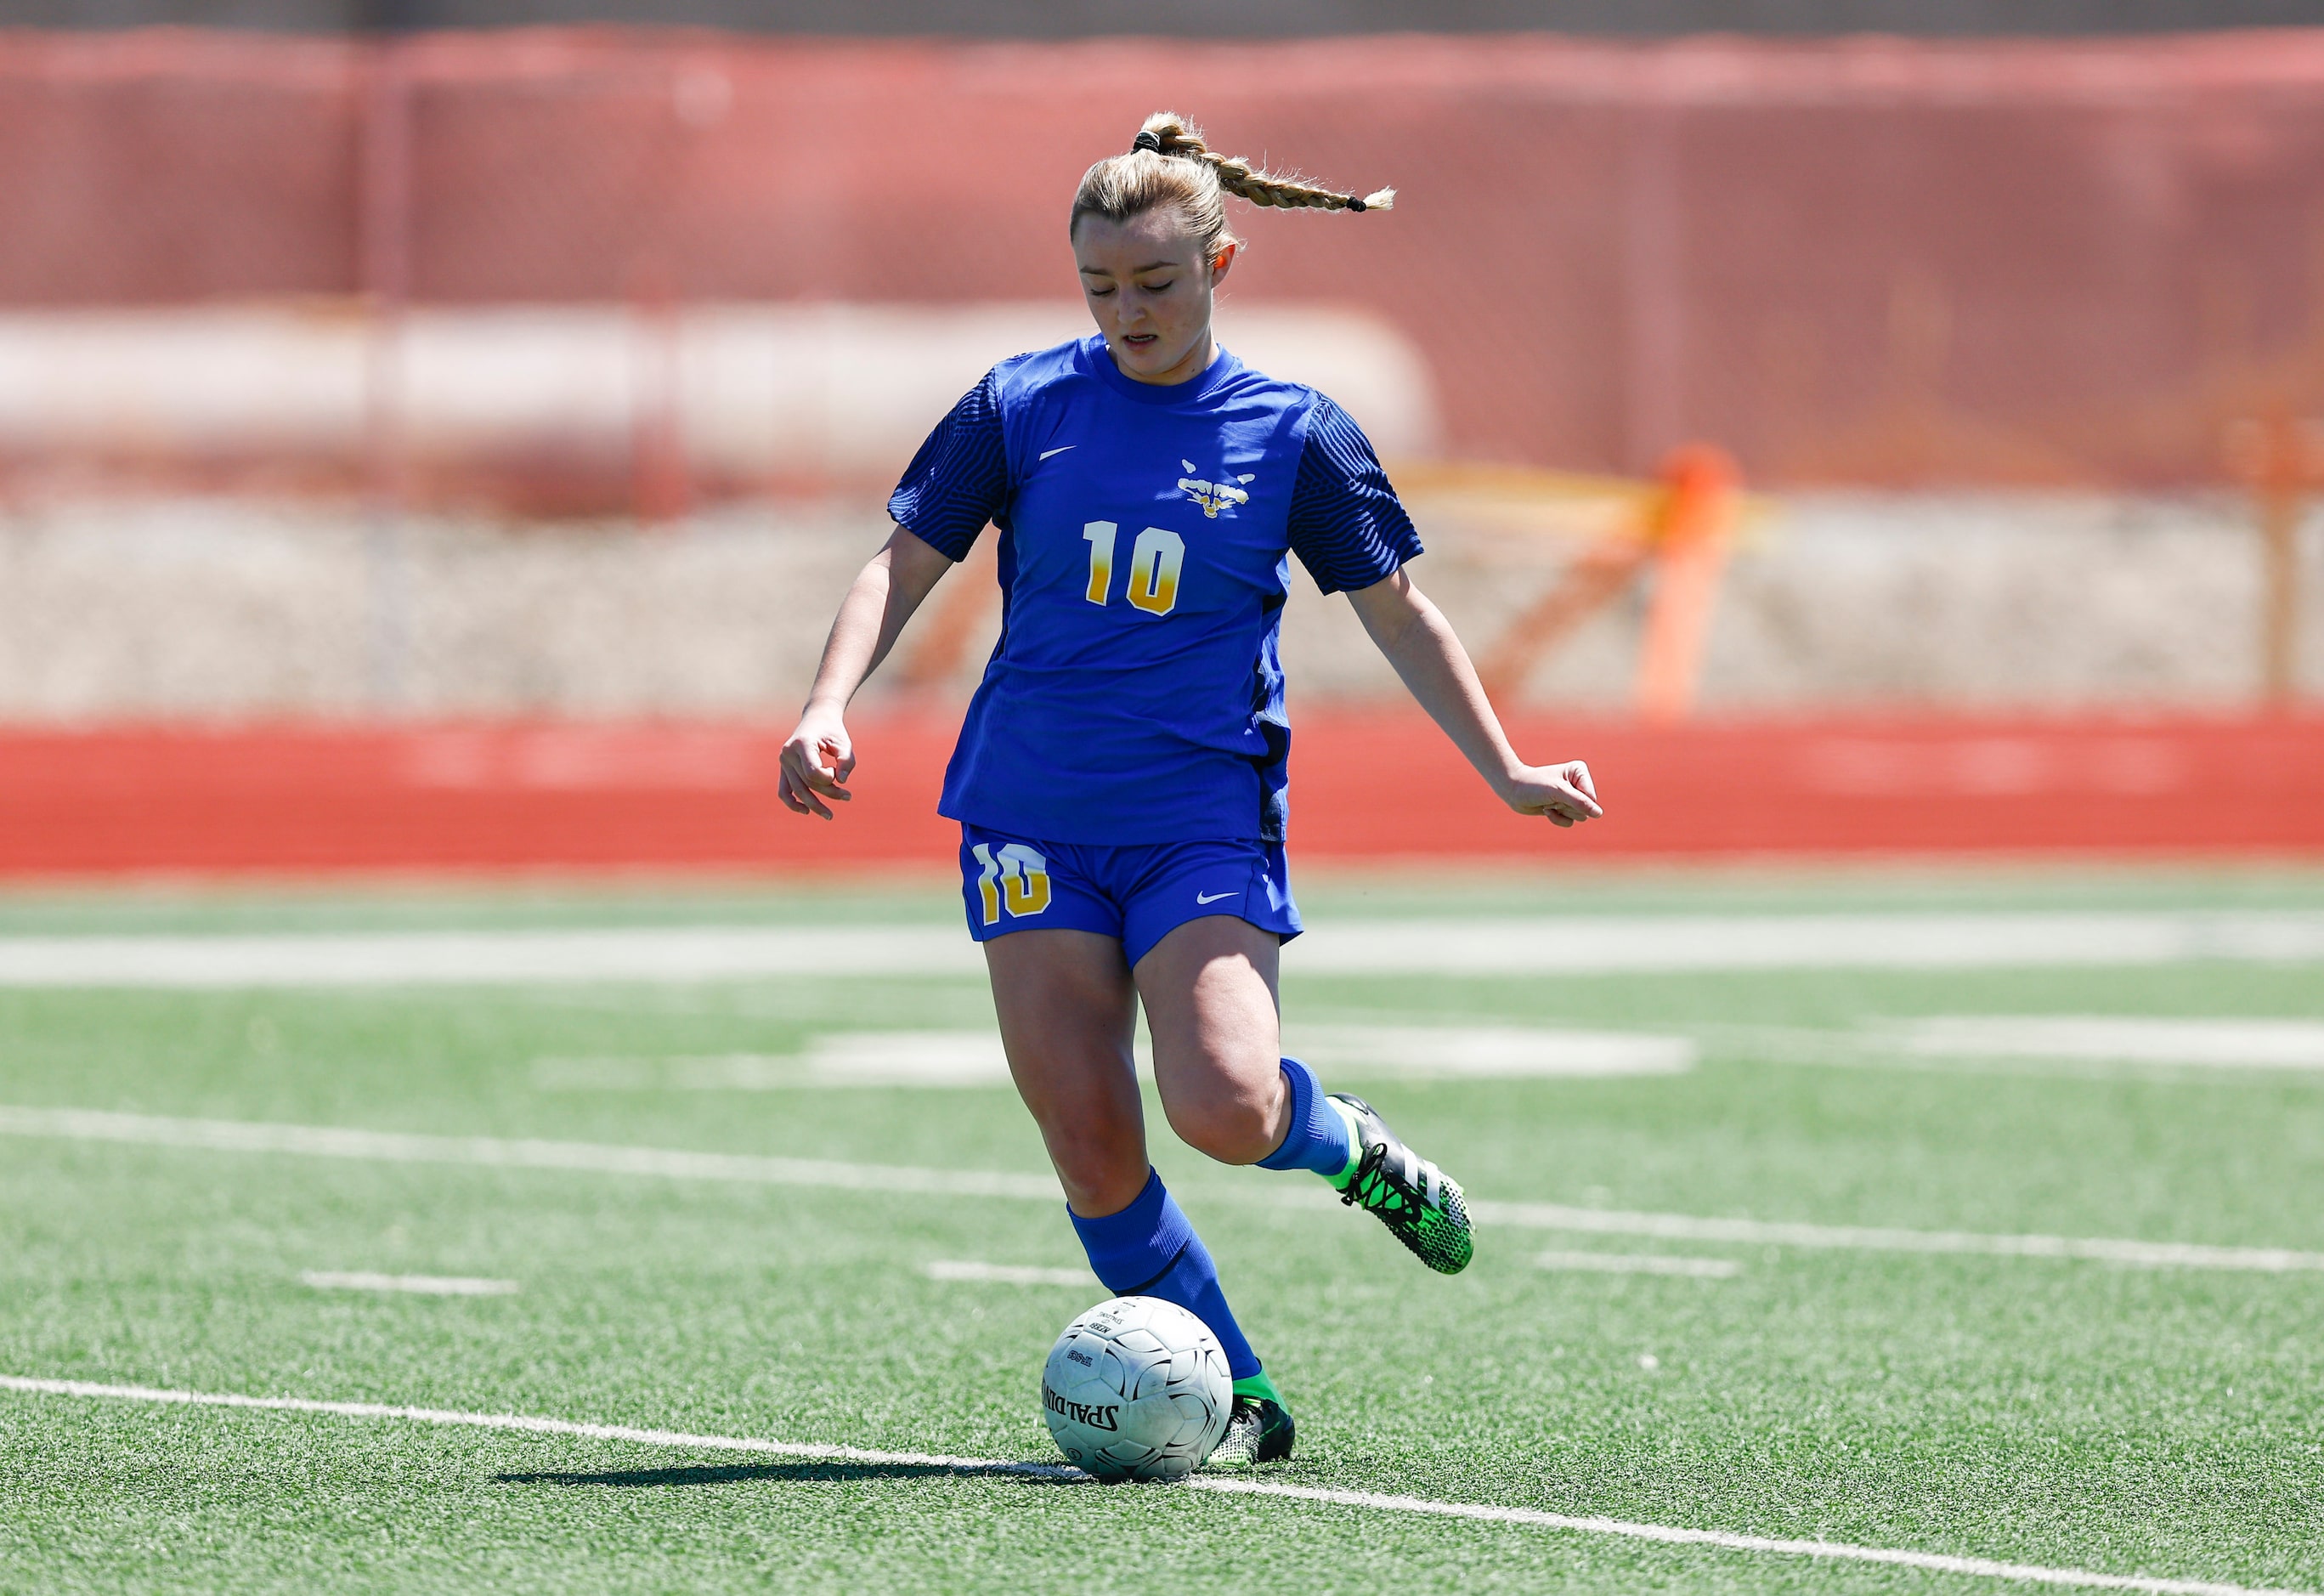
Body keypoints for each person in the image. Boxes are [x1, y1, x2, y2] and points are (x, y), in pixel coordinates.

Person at [779, 112, 1601, 1471]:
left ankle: (1353, 1152)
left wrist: (1506, 767)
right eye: (1102, 286)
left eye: (1157, 282)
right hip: (1028, 814)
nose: (1128, 312)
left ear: (1222, 260)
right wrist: (825, 704)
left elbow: (1400, 616)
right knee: (1094, 1145)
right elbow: (897, 566)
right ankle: (1247, 1385)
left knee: (1224, 1105)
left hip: (1199, 817)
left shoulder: (1294, 433)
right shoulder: (1020, 406)